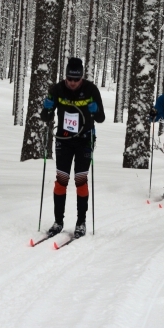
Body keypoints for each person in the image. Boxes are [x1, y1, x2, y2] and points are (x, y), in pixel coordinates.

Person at [40, 57, 105, 238]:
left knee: (80, 180)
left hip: (84, 140)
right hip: (64, 139)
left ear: (81, 77)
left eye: (76, 80)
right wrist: (46, 108)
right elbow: (45, 117)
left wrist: (95, 110)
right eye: (70, 79)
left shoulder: (91, 90)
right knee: (61, 180)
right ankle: (58, 221)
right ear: (66, 76)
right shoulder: (57, 89)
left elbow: (101, 118)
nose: (73, 83)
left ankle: (81, 222)